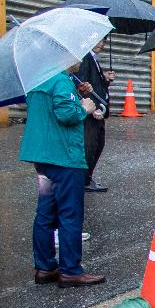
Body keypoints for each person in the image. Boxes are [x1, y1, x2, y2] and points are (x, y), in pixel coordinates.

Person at [20, 62, 104, 287]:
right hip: (65, 158)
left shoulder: (39, 78)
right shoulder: (60, 80)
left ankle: (45, 267)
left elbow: (49, 110)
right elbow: (66, 114)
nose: (80, 61)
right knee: (70, 214)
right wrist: (84, 107)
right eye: (77, 56)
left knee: (46, 212)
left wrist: (75, 94)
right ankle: (71, 270)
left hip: (44, 158)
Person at [76, 39, 114, 192]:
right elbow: (81, 87)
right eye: (99, 40)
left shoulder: (93, 59)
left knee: (98, 144)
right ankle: (84, 181)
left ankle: (87, 178)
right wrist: (90, 108)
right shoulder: (85, 59)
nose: (102, 44)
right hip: (92, 113)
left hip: (98, 111)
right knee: (90, 146)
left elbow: (95, 86)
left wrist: (105, 80)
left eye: (104, 40)